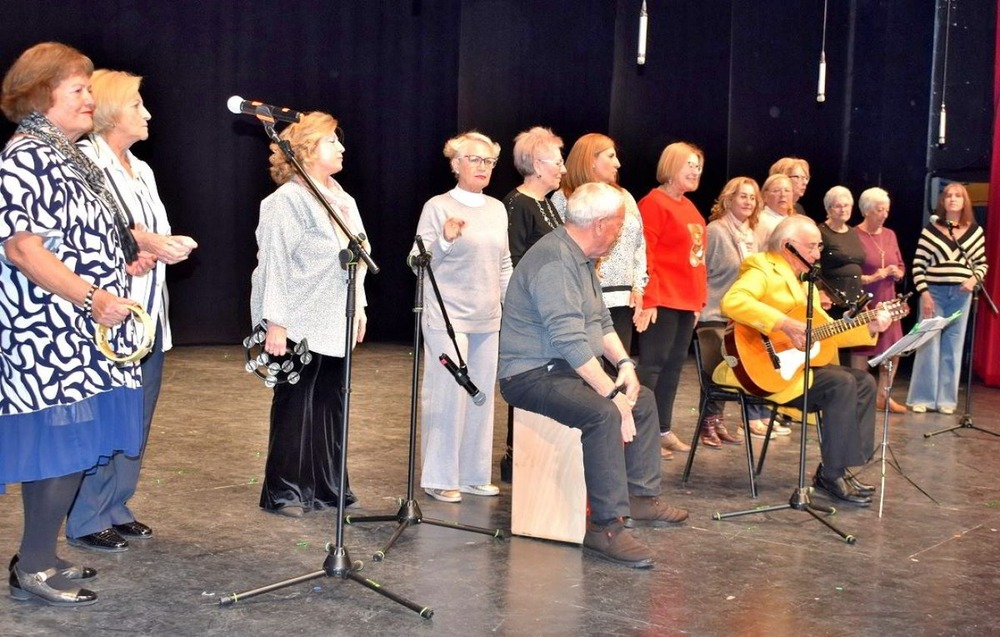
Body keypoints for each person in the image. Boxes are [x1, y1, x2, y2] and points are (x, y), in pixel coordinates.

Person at [0, 42, 152, 606]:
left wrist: (129, 254)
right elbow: (23, 248)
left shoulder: (68, 152)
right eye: (79, 90)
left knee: (71, 449)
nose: (92, 99)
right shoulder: (27, 156)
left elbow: (88, 230)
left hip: (80, 326)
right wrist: (92, 296)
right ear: (42, 96)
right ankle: (33, 567)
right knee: (57, 449)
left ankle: (39, 554)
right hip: (46, 329)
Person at [499, 182, 688, 569]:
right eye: (618, 224)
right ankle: (605, 528)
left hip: (565, 368)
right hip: (531, 374)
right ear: (601, 224)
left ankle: (640, 497)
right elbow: (568, 339)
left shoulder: (581, 258)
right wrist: (611, 395)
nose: (620, 231)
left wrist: (625, 368)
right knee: (602, 414)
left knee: (644, 399)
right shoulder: (554, 261)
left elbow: (600, 323)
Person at [65, 69, 197, 552]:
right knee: (108, 416)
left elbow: (146, 230)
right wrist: (141, 245)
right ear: (112, 111)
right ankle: (85, 517)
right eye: (138, 103)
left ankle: (117, 504)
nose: (147, 112)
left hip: (147, 318)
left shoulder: (142, 169)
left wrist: (166, 245)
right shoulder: (83, 162)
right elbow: (87, 238)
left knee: (137, 418)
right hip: (106, 315)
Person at [714, 215, 893, 506]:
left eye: (819, 247)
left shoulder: (804, 283)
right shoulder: (762, 268)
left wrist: (869, 326)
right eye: (812, 247)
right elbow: (733, 302)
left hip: (792, 368)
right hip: (759, 367)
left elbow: (828, 332)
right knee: (842, 382)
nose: (818, 253)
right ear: (789, 246)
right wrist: (783, 323)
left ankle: (836, 469)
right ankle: (832, 475)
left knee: (863, 381)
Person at [250, 111, 369, 517]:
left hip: (335, 313)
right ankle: (284, 491)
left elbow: (359, 256)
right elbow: (275, 264)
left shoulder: (343, 199)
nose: (342, 147)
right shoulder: (285, 201)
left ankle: (325, 486)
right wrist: (276, 322)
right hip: (299, 316)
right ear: (306, 150)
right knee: (296, 402)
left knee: (330, 402)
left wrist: (361, 307)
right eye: (332, 141)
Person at [412, 131, 511, 503]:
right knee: (448, 396)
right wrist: (446, 241)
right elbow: (416, 261)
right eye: (474, 159)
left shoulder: (497, 209)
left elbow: (503, 264)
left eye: (489, 161)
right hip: (446, 317)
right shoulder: (437, 207)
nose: (483, 167)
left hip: (488, 318)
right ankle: (439, 477)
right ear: (455, 164)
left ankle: (473, 474)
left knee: (481, 396)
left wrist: (511, 305)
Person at [499, 126, 566, 481]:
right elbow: (514, 261)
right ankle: (518, 457)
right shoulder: (518, 203)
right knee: (530, 378)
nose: (563, 169)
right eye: (557, 162)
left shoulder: (548, 204)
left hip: (550, 310)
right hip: (531, 313)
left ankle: (542, 453)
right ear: (537, 165)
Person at [635, 142, 707, 459]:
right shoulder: (653, 203)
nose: (695, 171)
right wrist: (648, 298)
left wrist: (698, 303)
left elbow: (698, 260)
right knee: (652, 366)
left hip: (685, 302)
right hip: (662, 299)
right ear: (671, 165)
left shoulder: (689, 207)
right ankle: (641, 432)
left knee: (675, 368)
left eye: (699, 167)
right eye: (689, 164)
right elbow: (645, 253)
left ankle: (662, 429)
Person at [550, 133, 647, 352]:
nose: (618, 163)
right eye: (611, 156)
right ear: (591, 160)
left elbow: (639, 245)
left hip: (622, 300)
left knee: (618, 369)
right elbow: (559, 248)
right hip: (583, 300)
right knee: (588, 370)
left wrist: (639, 287)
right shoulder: (564, 197)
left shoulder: (625, 197)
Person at [697, 177, 773, 444]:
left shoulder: (753, 236)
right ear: (728, 199)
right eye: (743, 196)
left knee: (731, 370)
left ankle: (717, 421)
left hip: (741, 317)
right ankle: (707, 423)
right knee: (716, 367)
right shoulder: (716, 231)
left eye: (752, 198)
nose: (748, 202)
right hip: (714, 314)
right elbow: (701, 271)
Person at [906, 182, 988, 414]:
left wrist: (974, 279)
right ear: (942, 201)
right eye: (948, 195)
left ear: (965, 202)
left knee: (953, 346)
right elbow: (918, 265)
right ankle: (922, 397)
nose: (952, 199)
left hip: (961, 295)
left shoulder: (975, 231)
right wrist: (925, 294)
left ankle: (946, 400)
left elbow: (982, 264)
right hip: (934, 293)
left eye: (958, 196)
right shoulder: (930, 230)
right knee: (928, 343)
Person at [850, 187, 906, 413]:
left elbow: (901, 264)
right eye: (879, 210)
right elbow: (850, 274)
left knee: (893, 348)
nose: (884, 214)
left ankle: (885, 395)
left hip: (888, 299)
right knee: (863, 348)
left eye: (886, 210)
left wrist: (898, 272)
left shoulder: (890, 234)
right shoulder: (854, 235)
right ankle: (860, 395)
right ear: (866, 211)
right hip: (866, 299)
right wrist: (873, 276)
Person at [818, 186, 866, 322]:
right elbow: (813, 264)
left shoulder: (853, 232)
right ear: (828, 209)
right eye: (838, 206)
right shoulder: (821, 232)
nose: (843, 209)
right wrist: (820, 292)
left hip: (854, 303)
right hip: (830, 302)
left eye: (846, 205)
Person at [754, 173, 794, 248]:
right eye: (776, 191)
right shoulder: (760, 220)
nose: (783, 194)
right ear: (765, 196)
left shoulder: (794, 220)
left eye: (787, 190)